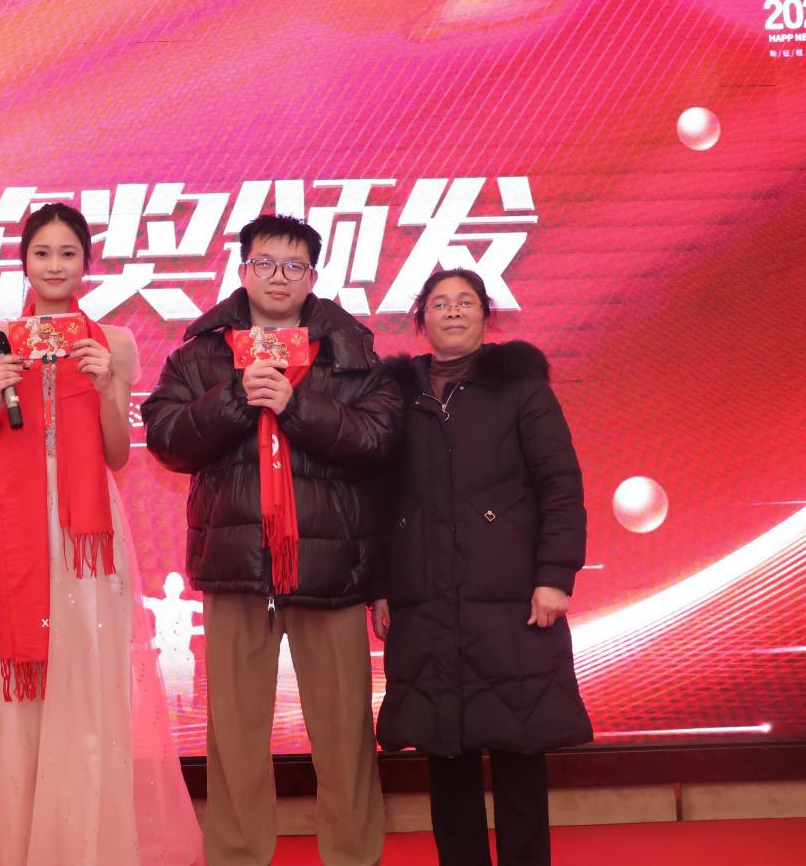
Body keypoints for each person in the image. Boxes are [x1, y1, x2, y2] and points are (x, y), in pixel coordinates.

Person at [0, 203, 202, 866]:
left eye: (67, 253)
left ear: (85, 264)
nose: (54, 265)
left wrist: (105, 386)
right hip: (5, 523)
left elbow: (117, 454)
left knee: (85, 677)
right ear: (23, 261)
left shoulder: (112, 342)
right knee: (10, 683)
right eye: (42, 253)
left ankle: (79, 844)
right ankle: (10, 842)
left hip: (84, 532)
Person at [141, 214, 401, 866]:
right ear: (242, 270)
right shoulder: (201, 354)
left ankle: (352, 856)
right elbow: (166, 439)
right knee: (233, 734)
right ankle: (236, 855)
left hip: (330, 566)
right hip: (236, 567)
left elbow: (378, 440)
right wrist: (234, 398)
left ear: (312, 276)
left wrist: (295, 405)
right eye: (264, 263)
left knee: (343, 733)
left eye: (293, 266)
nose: (277, 277)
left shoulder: (349, 349)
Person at [374, 268, 592, 866]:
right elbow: (381, 499)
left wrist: (555, 575)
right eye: (439, 303)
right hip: (425, 601)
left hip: (513, 600)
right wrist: (381, 587)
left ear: (485, 315)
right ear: (421, 319)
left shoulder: (521, 388)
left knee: (520, 747)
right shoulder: (395, 396)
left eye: (465, 302)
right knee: (447, 756)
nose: (452, 311)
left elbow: (560, 486)